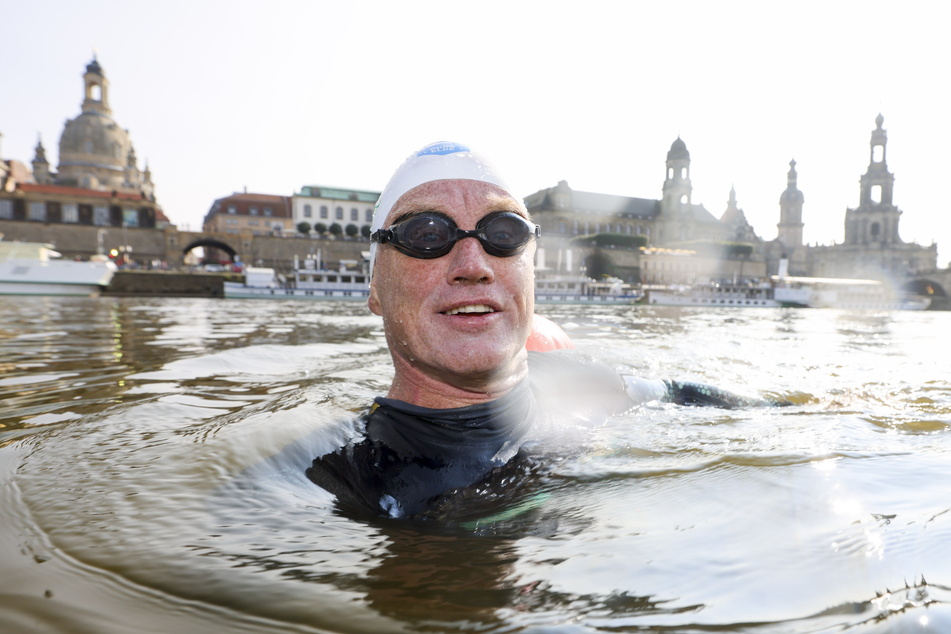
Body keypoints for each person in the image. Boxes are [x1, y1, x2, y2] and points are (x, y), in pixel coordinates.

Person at [306, 141, 785, 520]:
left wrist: (808, 409)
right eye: (427, 235)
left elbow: (681, 393)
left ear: (530, 275)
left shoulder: (586, 383)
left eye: (504, 234)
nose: (473, 264)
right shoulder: (336, 477)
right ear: (374, 287)